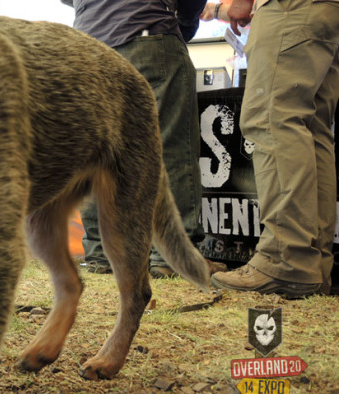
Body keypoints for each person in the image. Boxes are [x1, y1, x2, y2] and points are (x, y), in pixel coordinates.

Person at [62, 0, 226, 278]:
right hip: (147, 35)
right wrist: (183, 25)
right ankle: (171, 257)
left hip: (87, 46)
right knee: (169, 148)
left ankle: (102, 255)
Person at [210, 0, 338, 297]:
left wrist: (241, 3)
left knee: (271, 119)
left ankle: (285, 258)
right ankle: (312, 265)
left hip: (291, 8)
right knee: (312, 129)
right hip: (325, 12)